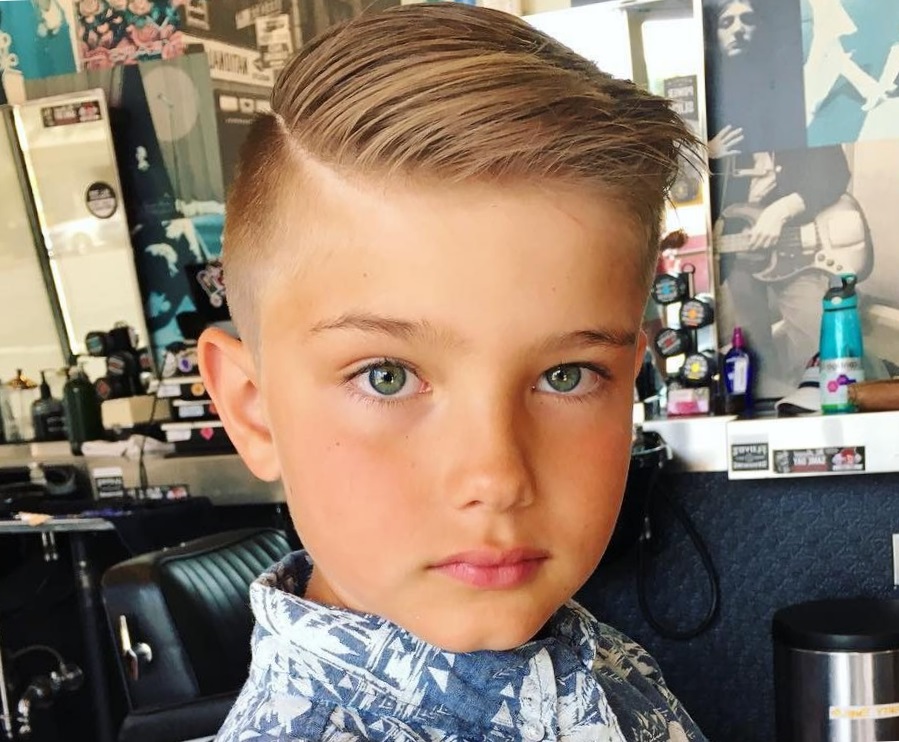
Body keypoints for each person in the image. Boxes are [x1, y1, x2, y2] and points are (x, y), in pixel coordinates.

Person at [198, 4, 707, 740]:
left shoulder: (588, 655)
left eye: (567, 376)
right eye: (386, 376)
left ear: (631, 378)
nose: (496, 478)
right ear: (253, 408)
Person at [705, 0, 856, 397]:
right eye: (726, 21)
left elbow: (835, 170)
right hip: (739, 261)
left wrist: (784, 208)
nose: (738, 29)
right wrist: (706, 157)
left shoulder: (794, 99)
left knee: (823, 360)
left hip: (798, 254)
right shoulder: (708, 114)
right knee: (751, 371)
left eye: (747, 19)